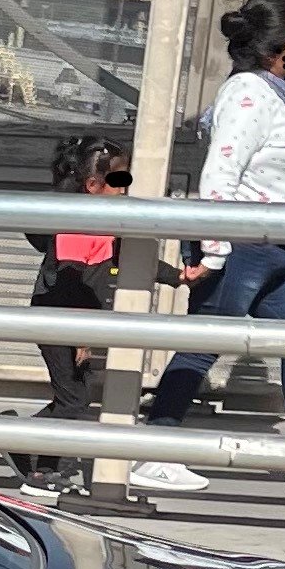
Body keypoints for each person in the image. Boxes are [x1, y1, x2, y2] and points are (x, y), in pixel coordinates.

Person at [133, 0, 285, 492]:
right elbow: (219, 178)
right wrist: (213, 251)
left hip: (278, 247)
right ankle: (154, 452)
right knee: (204, 345)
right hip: (244, 247)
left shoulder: (279, 95)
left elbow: (283, 166)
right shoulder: (248, 94)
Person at [17, 135, 182, 498]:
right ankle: (41, 471)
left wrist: (178, 276)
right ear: (92, 185)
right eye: (119, 180)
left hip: (73, 320)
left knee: (73, 396)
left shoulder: (103, 220)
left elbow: (129, 258)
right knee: (74, 400)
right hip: (60, 317)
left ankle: (24, 445)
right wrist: (81, 335)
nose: (126, 189)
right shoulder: (77, 224)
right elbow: (71, 281)